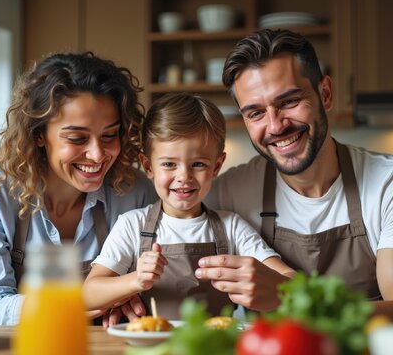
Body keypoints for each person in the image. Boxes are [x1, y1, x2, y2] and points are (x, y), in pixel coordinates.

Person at [196, 29, 393, 322]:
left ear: (325, 94)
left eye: (288, 101)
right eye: (256, 113)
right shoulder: (229, 193)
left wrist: (291, 298)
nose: (275, 126)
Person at [0, 52, 158, 325]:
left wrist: (126, 301)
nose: (98, 155)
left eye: (109, 135)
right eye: (77, 138)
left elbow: (139, 289)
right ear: (38, 134)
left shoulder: (135, 192)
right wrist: (79, 302)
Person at [83, 93, 294, 319]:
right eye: (169, 164)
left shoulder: (232, 227)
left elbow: (290, 280)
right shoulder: (132, 225)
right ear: (148, 166)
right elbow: (88, 294)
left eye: (198, 164)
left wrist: (271, 286)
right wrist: (135, 280)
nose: (184, 176)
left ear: (217, 166)